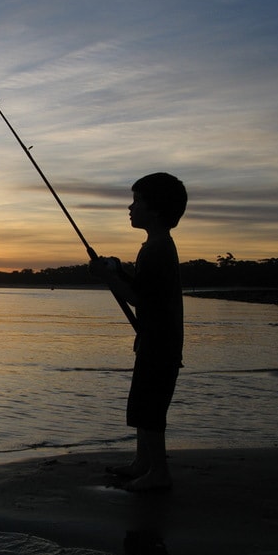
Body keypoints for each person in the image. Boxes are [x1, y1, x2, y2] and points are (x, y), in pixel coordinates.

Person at [90, 172, 187, 492]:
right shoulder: (156, 246)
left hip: (161, 342)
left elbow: (139, 298)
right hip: (156, 339)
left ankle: (159, 473)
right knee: (142, 403)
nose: (130, 208)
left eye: (137, 201)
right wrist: (119, 271)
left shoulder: (157, 249)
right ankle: (142, 462)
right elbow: (145, 289)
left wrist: (110, 279)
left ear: (155, 209)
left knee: (151, 409)